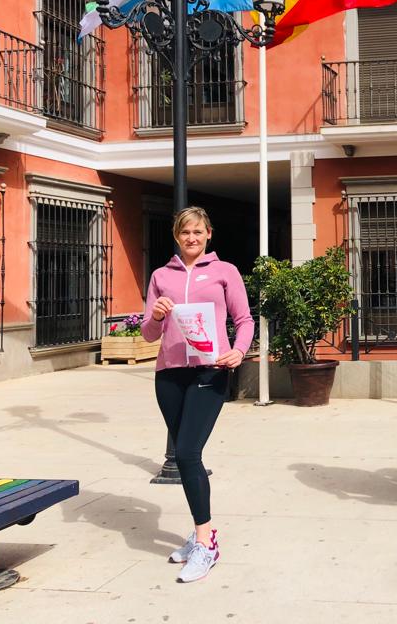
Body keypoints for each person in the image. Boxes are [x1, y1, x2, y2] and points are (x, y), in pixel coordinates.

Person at [141, 206, 253, 583]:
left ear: (209, 235)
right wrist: (155, 315)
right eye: (185, 232)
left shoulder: (225, 272)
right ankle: (199, 533)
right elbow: (147, 335)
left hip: (211, 370)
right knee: (188, 458)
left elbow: (244, 320)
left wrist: (239, 351)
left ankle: (206, 544)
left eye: (198, 232)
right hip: (169, 375)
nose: (192, 238)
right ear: (177, 236)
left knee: (188, 453)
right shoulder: (160, 276)